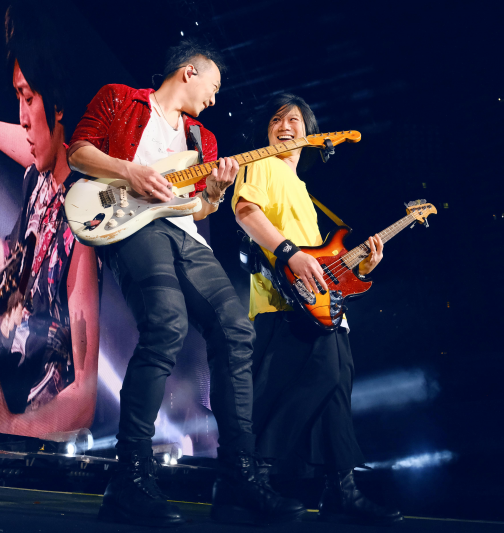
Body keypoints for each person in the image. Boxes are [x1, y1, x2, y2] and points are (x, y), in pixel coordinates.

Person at [67, 40, 305, 527]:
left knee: (236, 330)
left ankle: (237, 479)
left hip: (185, 235)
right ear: (189, 73)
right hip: (131, 226)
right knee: (167, 323)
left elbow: (197, 208)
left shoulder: (204, 140)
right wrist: (128, 170)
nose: (215, 99)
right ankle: (129, 478)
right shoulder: (120, 98)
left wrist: (214, 192)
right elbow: (77, 152)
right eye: (213, 86)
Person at [231, 93, 402, 524]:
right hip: (282, 304)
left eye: (294, 120)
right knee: (315, 378)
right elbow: (246, 211)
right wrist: (289, 252)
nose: (284, 126)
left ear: (310, 133)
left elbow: (323, 258)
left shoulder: (305, 191)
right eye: (276, 119)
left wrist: (362, 266)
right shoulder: (261, 161)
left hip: (323, 306)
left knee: (337, 388)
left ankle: (341, 489)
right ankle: (250, 477)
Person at [0, 4, 101, 438]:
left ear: (58, 104)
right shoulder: (37, 182)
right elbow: (14, 285)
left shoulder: (84, 222)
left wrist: (9, 427)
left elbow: (84, 396)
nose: (22, 118)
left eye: (28, 99)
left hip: (34, 448)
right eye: (18, 99)